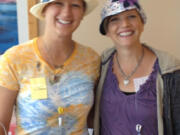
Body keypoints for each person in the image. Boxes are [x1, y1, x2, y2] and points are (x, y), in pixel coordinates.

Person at [0, 0, 100, 134]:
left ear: (82, 13)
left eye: (75, 5)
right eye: (58, 3)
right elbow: (1, 124)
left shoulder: (91, 59)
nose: (66, 12)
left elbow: (96, 117)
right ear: (44, 10)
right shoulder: (15, 59)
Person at [93, 0, 180, 135]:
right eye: (114, 19)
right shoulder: (99, 66)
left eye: (131, 16)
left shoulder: (170, 69)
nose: (125, 24)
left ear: (142, 22)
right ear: (107, 30)